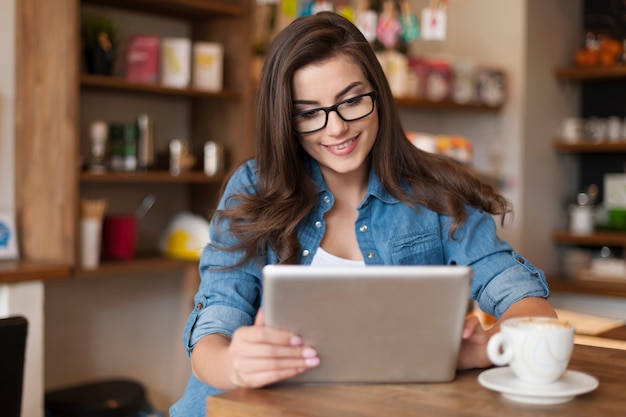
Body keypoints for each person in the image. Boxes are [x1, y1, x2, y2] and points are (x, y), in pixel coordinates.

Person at [170, 11, 556, 417]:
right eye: (308, 112)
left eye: (351, 100)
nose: (336, 129)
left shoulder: (435, 192)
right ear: (285, 119)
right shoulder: (254, 186)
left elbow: (526, 301)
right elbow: (212, 331)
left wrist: (492, 346)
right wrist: (235, 363)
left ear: (378, 95)